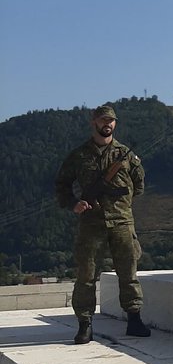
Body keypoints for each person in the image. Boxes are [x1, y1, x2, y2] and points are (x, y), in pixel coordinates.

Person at [54, 104, 151, 344]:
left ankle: (134, 319)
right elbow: (62, 185)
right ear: (93, 122)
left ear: (115, 123)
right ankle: (84, 324)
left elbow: (139, 186)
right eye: (102, 120)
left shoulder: (126, 155)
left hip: (121, 222)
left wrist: (121, 204)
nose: (107, 124)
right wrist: (73, 203)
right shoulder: (79, 156)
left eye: (111, 120)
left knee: (128, 272)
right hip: (91, 224)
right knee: (86, 275)